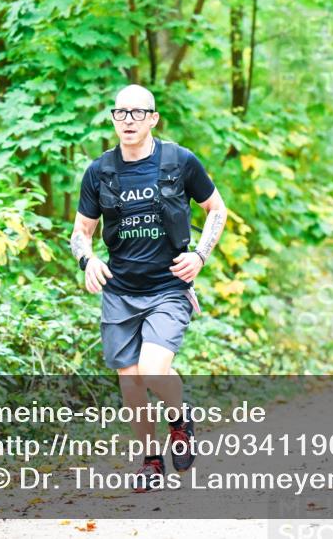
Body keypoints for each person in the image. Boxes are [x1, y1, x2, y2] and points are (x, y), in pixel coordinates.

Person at [70, 84, 228, 489]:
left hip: (168, 287)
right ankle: (150, 461)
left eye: (138, 113)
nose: (128, 120)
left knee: (154, 372)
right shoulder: (99, 171)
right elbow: (81, 233)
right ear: (112, 119)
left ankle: (180, 420)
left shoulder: (179, 161)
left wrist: (200, 255)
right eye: (121, 113)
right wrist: (88, 260)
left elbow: (216, 210)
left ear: (153, 118)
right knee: (132, 384)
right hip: (120, 291)